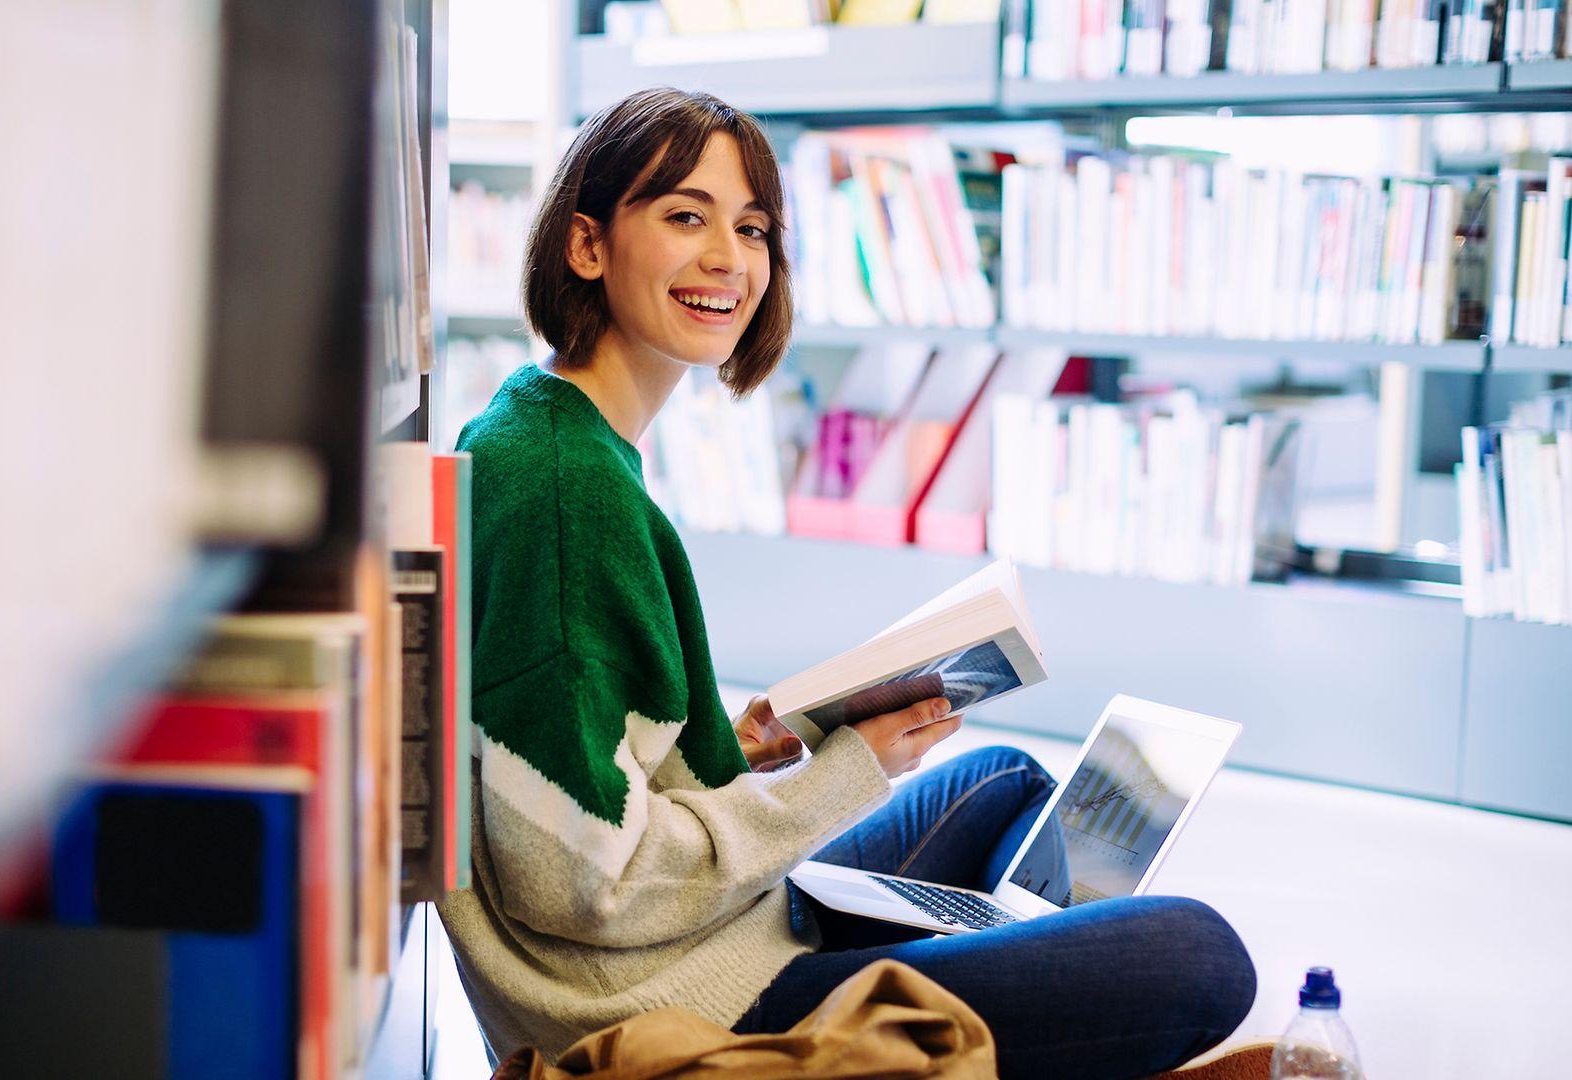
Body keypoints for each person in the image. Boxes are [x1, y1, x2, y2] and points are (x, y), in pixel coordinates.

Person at [434, 87, 1257, 1080]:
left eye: (752, 227)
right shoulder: (568, 491)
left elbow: (585, 746)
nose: (728, 260)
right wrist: (840, 772)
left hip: (703, 936)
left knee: (1004, 781)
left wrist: (740, 753)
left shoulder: (549, 432)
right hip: (671, 999)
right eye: (684, 216)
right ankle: (977, 997)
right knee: (1196, 955)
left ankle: (977, 976)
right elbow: (581, 885)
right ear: (587, 244)